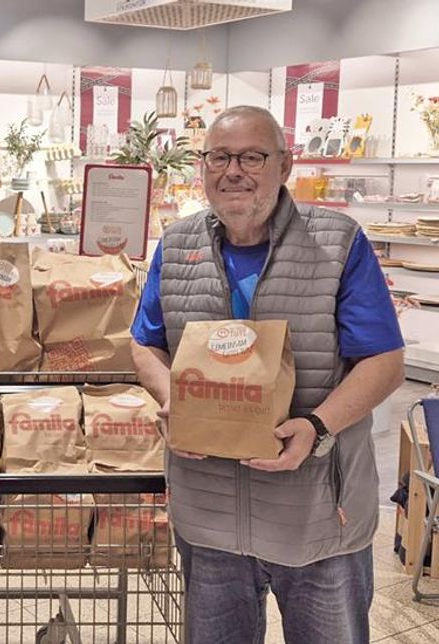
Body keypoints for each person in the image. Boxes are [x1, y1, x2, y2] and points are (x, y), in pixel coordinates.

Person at [131, 105, 405, 643]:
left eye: (253, 156)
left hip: (318, 518)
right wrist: (175, 401)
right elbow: (145, 344)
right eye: (218, 157)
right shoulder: (177, 243)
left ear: (285, 166)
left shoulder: (337, 243)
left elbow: (384, 362)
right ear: (202, 167)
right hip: (209, 518)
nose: (234, 171)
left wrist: (318, 427)